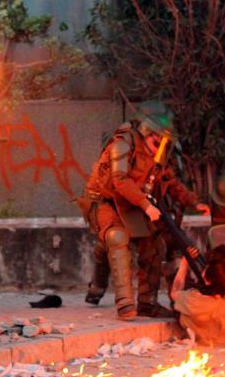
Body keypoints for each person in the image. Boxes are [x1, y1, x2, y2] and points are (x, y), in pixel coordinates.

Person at [80, 100, 209, 320]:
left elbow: (170, 180)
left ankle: (147, 304)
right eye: (158, 141)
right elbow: (119, 180)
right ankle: (125, 303)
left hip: (133, 203)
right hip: (105, 201)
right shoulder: (122, 145)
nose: (160, 148)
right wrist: (147, 205)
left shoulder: (155, 157)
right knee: (116, 236)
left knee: (154, 243)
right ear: (146, 131)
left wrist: (193, 202)